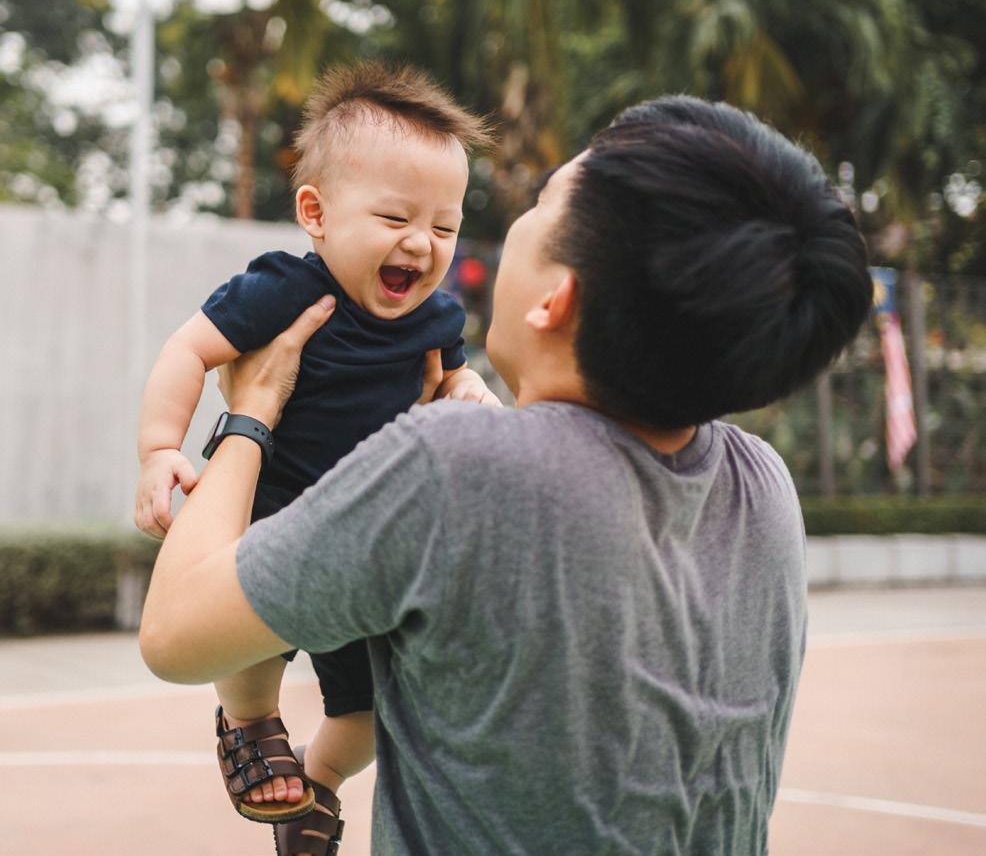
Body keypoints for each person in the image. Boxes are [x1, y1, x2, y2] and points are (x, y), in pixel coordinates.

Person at [140, 95, 873, 856]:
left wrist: (252, 413)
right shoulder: (763, 487)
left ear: (556, 298)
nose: (430, 244)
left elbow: (172, 637)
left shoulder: (457, 467)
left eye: (543, 202)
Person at [133, 62, 500, 844]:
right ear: (316, 213)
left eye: (444, 227)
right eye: (396, 217)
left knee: (371, 713)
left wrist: (470, 393)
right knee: (251, 646)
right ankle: (249, 722)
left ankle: (320, 785)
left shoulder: (436, 319)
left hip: (367, 542)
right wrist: (160, 448)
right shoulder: (281, 291)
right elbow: (188, 351)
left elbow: (456, 382)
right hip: (266, 515)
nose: (421, 243)